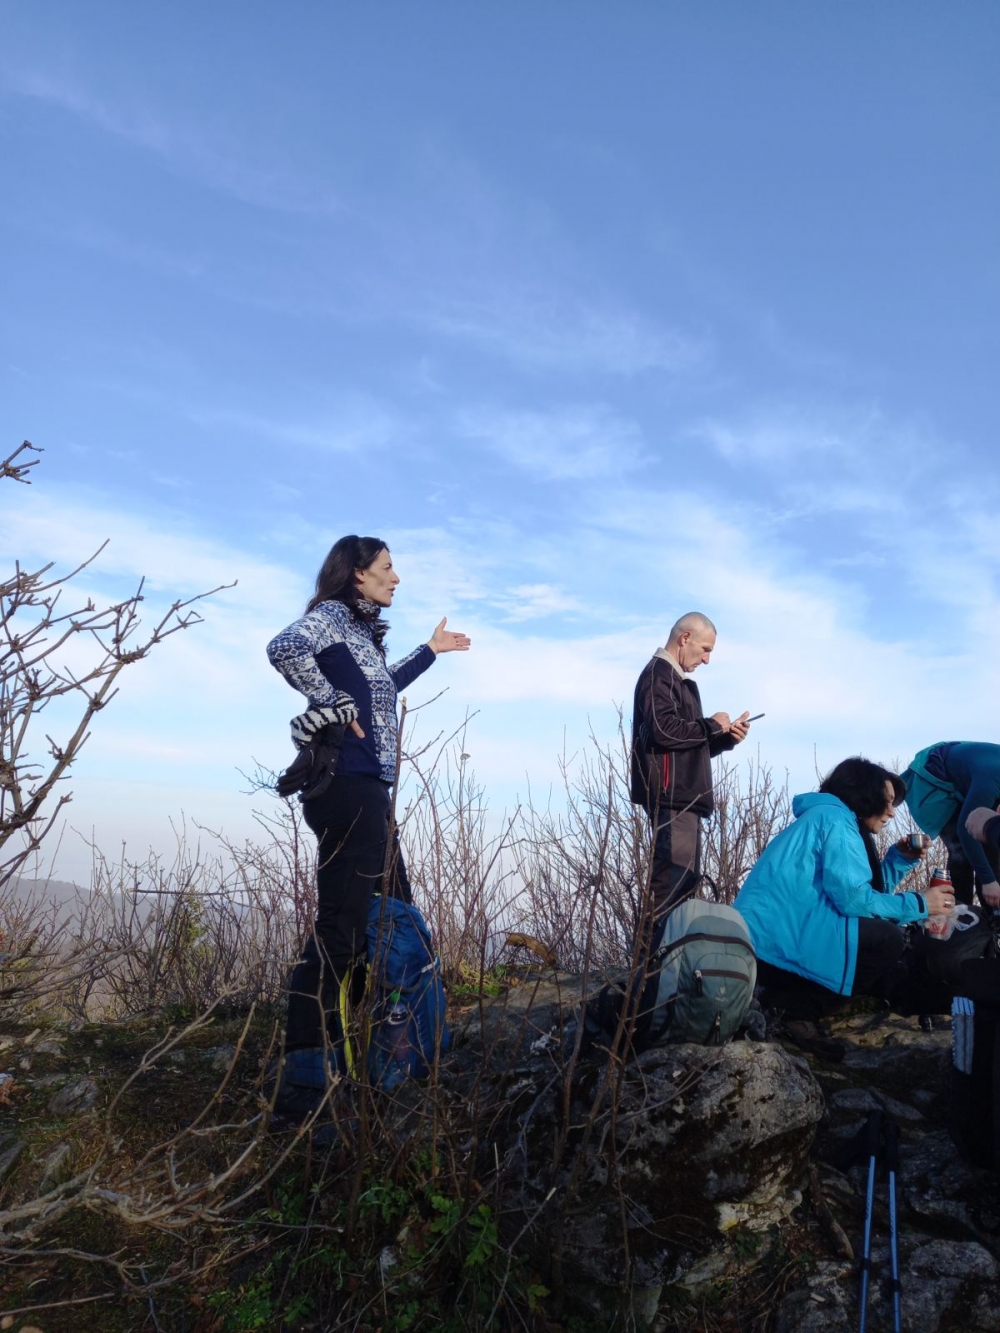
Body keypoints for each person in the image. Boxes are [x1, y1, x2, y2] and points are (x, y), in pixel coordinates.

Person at [266, 535, 470, 1116]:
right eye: (387, 567)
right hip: (347, 792)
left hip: (371, 797)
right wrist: (329, 701)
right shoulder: (330, 617)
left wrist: (430, 650)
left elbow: (381, 691)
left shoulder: (360, 638)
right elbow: (284, 647)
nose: (396, 577)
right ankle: (304, 1089)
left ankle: (382, 1053)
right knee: (340, 935)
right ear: (357, 574)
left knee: (389, 920)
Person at [734, 757, 955, 1059]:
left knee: (880, 931)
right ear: (865, 795)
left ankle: (786, 998)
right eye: (887, 802)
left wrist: (899, 860)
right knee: (887, 939)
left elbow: (863, 896)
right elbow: (854, 903)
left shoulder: (827, 817)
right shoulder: (837, 822)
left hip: (770, 938)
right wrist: (920, 903)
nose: (891, 812)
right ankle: (797, 1011)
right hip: (777, 943)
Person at [630, 612, 751, 944]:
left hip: (684, 800)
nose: (707, 659)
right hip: (672, 800)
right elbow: (663, 730)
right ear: (685, 638)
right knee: (670, 888)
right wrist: (711, 725)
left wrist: (725, 738)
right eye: (705, 649)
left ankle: (666, 972)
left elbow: (679, 745)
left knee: (682, 887)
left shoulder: (672, 679)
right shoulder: (659, 675)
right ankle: (647, 977)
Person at [902, 743, 1000, 907]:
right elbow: (964, 830)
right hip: (934, 778)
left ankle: (992, 920)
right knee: (961, 848)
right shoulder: (990, 783)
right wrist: (989, 881)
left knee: (990, 843)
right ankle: (961, 915)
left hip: (970, 772)